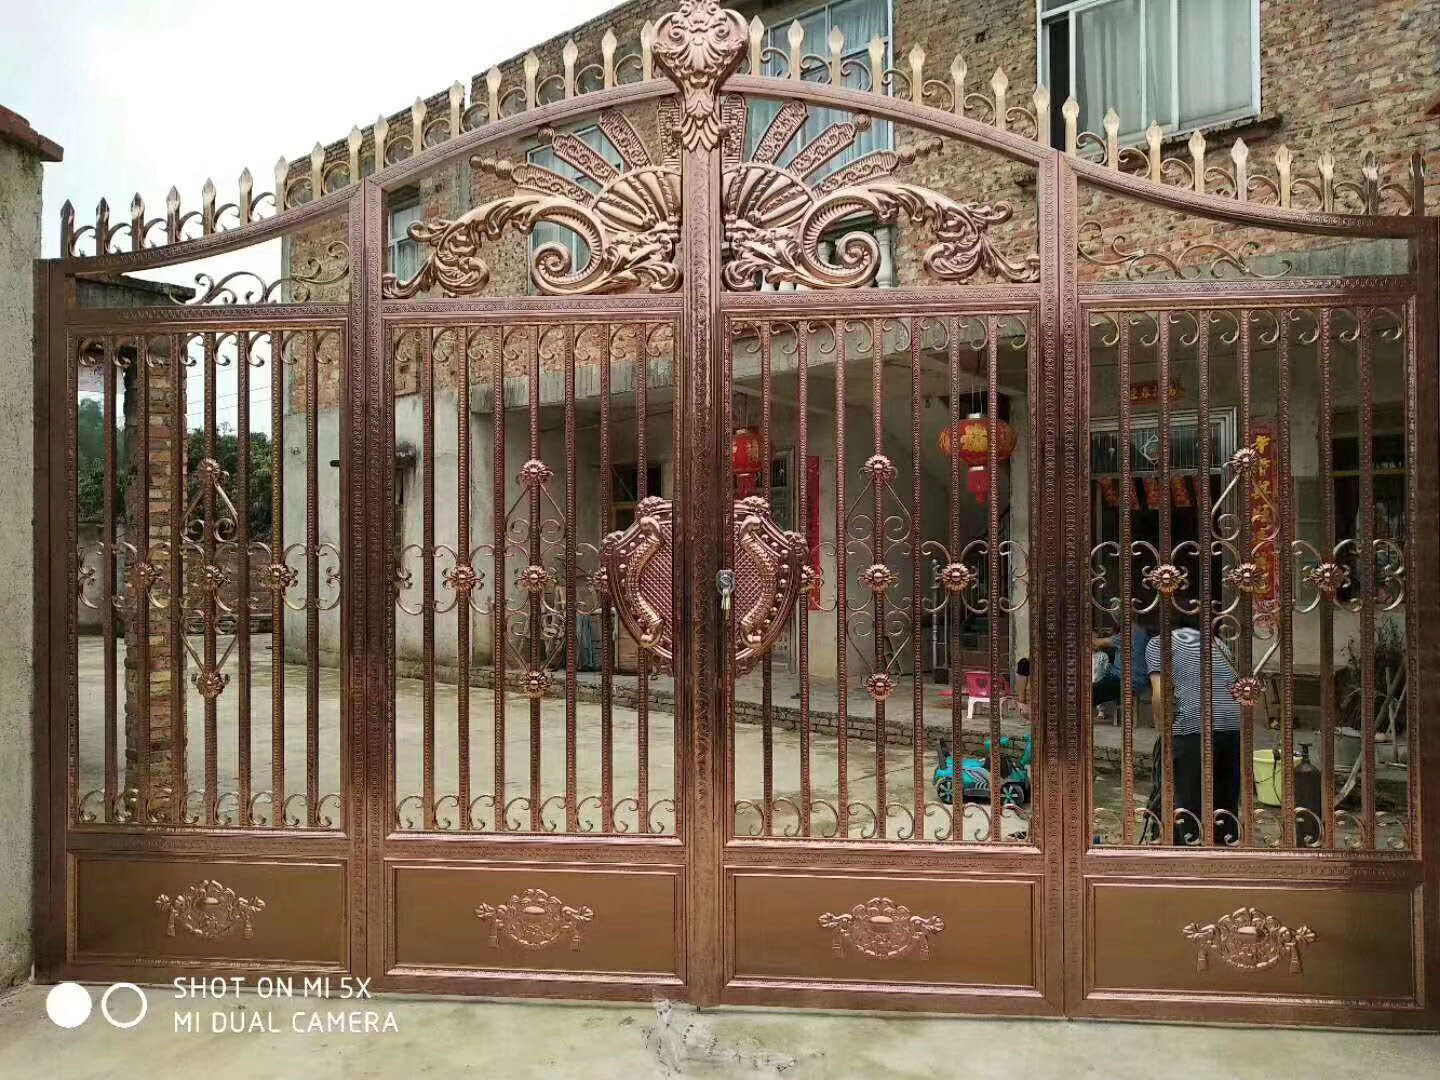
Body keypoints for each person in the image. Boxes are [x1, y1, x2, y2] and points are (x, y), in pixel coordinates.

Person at [1144, 611, 1244, 845]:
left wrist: (1163, 729)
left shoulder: (1160, 643)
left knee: (1187, 801)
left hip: (1192, 726)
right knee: (1224, 798)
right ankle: (1224, 846)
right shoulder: (1218, 643)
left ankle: (1188, 850)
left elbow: (1160, 694)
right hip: (1232, 725)